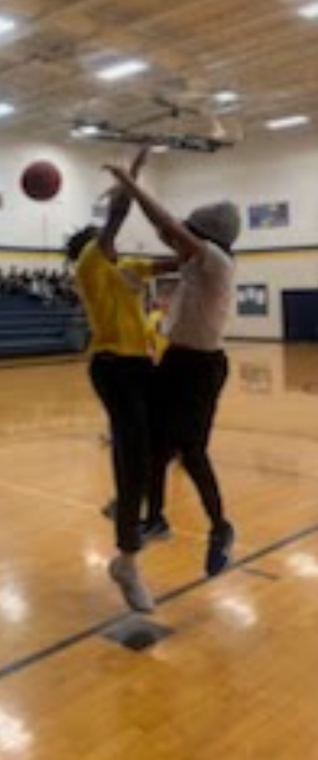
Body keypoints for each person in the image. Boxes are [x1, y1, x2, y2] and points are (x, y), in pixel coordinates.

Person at [104, 166, 240, 578]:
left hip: (202, 367)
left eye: (188, 232)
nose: (175, 238)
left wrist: (130, 186)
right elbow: (163, 245)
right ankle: (156, 517)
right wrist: (128, 267)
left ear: (206, 237)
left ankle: (221, 529)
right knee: (155, 446)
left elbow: (165, 225)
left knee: (192, 453)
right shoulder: (191, 263)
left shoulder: (214, 260)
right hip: (176, 361)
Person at [67, 149, 177, 612]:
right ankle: (126, 560)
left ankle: (130, 504)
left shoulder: (127, 268)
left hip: (142, 365)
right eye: (102, 239)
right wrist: (130, 175)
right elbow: (116, 214)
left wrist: (207, 246)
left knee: (168, 442)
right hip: (113, 365)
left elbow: (175, 262)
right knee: (133, 451)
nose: (110, 241)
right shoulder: (90, 265)